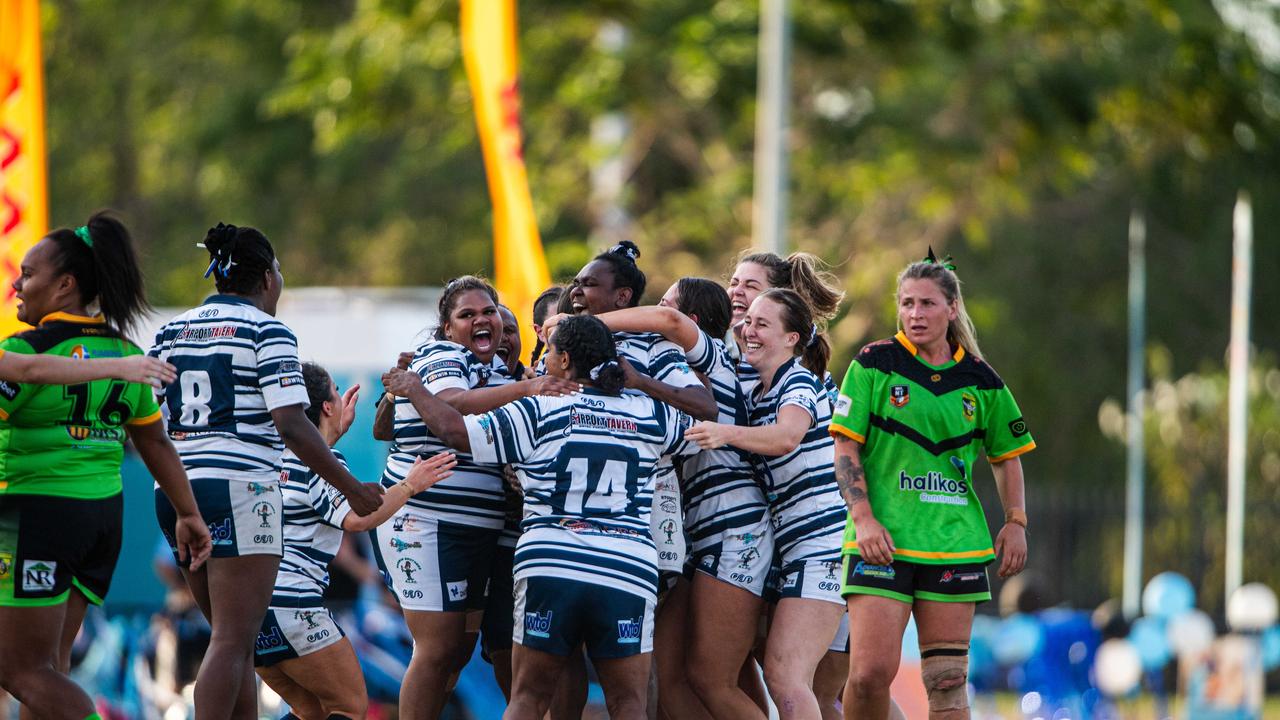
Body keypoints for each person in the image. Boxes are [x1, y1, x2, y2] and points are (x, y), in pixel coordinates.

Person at [382, 314, 697, 720]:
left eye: (549, 352)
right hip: (626, 570)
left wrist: (417, 390)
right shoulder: (651, 413)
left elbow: (456, 431)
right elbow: (702, 424)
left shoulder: (539, 408)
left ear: (565, 360)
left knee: (528, 697)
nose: (543, 361)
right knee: (629, 703)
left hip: (551, 565)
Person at [149, 222, 384, 720]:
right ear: (267, 278)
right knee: (234, 642)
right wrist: (353, 488)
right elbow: (292, 426)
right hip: (238, 490)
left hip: (172, 490)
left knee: (228, 644)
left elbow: (144, 421)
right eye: (279, 270)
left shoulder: (171, 329)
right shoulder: (268, 329)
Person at [0, 213, 212, 720]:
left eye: (27, 273)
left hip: (37, 517)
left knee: (18, 670)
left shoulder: (25, 349)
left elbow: (25, 373)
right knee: (50, 668)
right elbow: (155, 441)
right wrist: (188, 513)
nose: (15, 283)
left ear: (66, 284)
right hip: (99, 520)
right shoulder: (125, 352)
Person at [832, 250, 1033, 720]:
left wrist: (1016, 522)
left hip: (955, 544)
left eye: (926, 303)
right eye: (906, 303)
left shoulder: (981, 380)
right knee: (866, 676)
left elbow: (1007, 457)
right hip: (882, 543)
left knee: (946, 683)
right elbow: (844, 447)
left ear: (952, 308)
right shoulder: (874, 363)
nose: (915, 314)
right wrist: (863, 520)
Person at [370, 276, 578, 720]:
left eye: (490, 313)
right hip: (427, 522)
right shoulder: (446, 355)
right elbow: (454, 407)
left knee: (456, 653)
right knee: (438, 648)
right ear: (447, 328)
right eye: (468, 315)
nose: (482, 321)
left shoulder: (499, 372)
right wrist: (529, 388)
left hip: (476, 531)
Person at [590, 278, 774, 719]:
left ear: (689, 324)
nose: (652, 313)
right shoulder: (680, 373)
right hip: (698, 533)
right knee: (676, 679)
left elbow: (666, 320)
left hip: (733, 527)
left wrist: (583, 325)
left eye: (664, 303)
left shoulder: (711, 356)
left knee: (713, 680)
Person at [254, 362, 457, 720]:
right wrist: (411, 484)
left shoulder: (273, 456)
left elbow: (311, 479)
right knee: (349, 707)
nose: (340, 397)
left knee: (311, 712)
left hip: (253, 612)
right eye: (335, 391)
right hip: (294, 606)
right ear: (327, 407)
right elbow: (359, 518)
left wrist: (330, 435)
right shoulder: (322, 462)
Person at [683, 289, 847, 720]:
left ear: (792, 338)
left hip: (823, 545)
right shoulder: (757, 389)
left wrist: (723, 433)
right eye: (746, 320)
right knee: (807, 684)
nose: (747, 330)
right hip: (794, 547)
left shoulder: (798, 380)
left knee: (787, 675)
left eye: (761, 324)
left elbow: (786, 436)